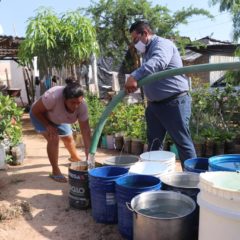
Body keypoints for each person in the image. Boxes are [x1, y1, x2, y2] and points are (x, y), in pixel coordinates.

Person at [125, 20, 196, 168]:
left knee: (182, 143)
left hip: (174, 102)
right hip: (155, 106)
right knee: (154, 145)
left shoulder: (162, 44)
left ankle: (193, 181)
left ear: (145, 33)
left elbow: (159, 62)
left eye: (135, 39)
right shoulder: (146, 52)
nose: (134, 43)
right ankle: (156, 178)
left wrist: (134, 76)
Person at [30, 82, 91, 182]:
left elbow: (85, 130)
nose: (76, 106)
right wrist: (48, 125)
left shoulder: (82, 106)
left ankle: (75, 157)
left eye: (78, 102)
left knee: (68, 138)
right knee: (54, 139)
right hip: (41, 115)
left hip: (59, 117)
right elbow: (36, 110)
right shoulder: (52, 97)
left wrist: (89, 152)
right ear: (64, 99)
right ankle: (55, 170)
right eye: (72, 103)